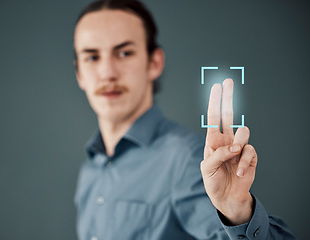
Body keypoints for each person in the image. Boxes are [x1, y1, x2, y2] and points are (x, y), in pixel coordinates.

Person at [73, 0, 296, 239]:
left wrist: (236, 210)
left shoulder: (186, 159)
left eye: (124, 53)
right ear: (79, 74)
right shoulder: (90, 171)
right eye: (92, 57)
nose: (107, 72)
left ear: (154, 62)